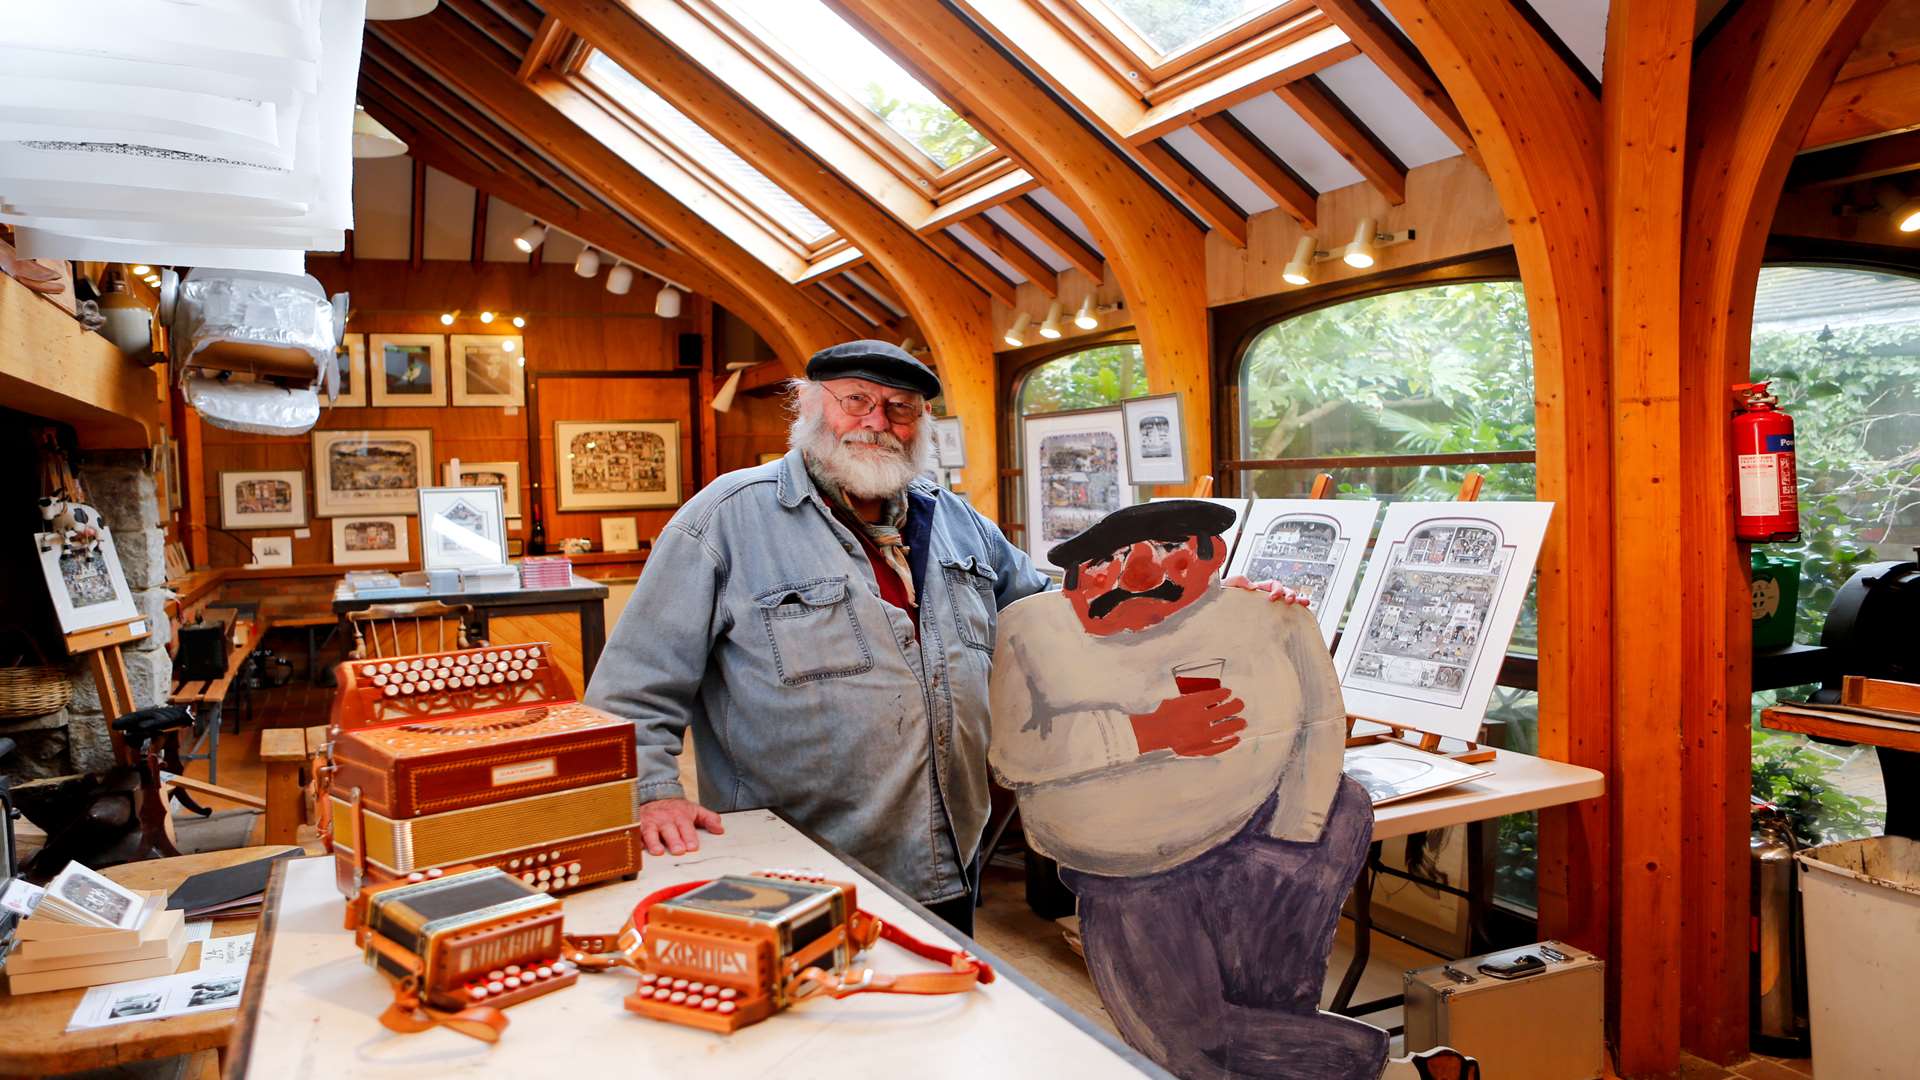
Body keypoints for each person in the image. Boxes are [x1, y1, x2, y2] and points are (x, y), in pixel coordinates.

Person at [585, 340, 1050, 935]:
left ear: (921, 424)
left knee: (932, 1010)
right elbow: (632, 686)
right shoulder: (725, 518)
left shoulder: (959, 523)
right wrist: (652, 792)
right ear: (808, 405)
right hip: (786, 868)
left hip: (945, 858)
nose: (876, 422)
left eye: (900, 407)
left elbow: (1040, 616)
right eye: (855, 399)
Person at [989, 500, 1387, 1080]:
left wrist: (1292, 835)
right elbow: (1016, 752)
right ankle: (1395, 1068)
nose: (1137, 574)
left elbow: (1321, 720)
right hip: (1128, 866)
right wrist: (1149, 729)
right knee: (1185, 1045)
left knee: (1268, 1011)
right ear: (1072, 577)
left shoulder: (1270, 615)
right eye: (1108, 558)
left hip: (1266, 836)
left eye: (1168, 547)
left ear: (1213, 556)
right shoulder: (1029, 627)